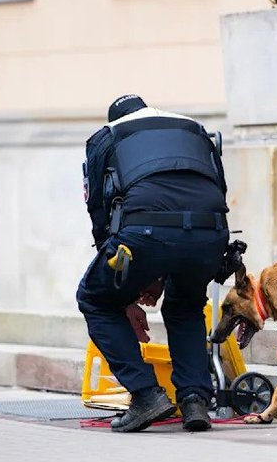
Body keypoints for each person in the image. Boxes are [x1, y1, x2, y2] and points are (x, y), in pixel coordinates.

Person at [77, 94, 230, 433]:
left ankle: (147, 396)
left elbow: (100, 215)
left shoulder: (106, 137)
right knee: (186, 305)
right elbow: (218, 187)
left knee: (95, 299)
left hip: (145, 233)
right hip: (211, 233)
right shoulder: (194, 130)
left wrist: (126, 292)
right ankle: (194, 400)